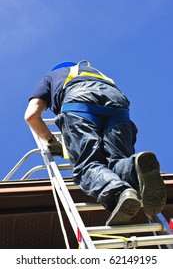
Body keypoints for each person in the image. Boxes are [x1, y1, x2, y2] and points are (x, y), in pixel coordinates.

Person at [24, 60, 166, 226]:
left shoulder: (52, 77)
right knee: (117, 162)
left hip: (79, 104)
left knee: (87, 166)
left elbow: (31, 115)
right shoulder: (98, 74)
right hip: (117, 106)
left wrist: (51, 140)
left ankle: (118, 193)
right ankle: (134, 167)